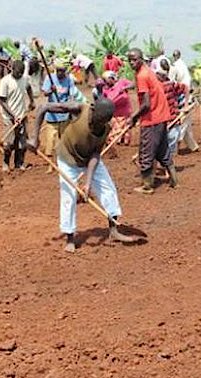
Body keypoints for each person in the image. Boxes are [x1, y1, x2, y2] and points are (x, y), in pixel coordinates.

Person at [27, 98, 138, 253]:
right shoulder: (79, 109)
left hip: (88, 160)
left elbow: (95, 155)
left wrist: (87, 182)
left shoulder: (105, 128)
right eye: (98, 120)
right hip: (67, 158)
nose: (99, 124)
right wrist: (34, 138)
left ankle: (113, 230)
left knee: (108, 189)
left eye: (103, 122)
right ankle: (70, 238)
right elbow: (43, 107)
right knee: (68, 197)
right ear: (92, 109)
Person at [127, 48, 176, 192]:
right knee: (162, 150)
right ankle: (174, 179)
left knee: (146, 152)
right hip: (160, 116)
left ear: (141, 59)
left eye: (134, 59)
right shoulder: (148, 71)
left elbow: (146, 104)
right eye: (129, 60)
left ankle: (147, 186)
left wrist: (133, 116)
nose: (132, 62)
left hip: (152, 118)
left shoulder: (142, 75)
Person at [40, 59, 79, 172]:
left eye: (62, 71)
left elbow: (71, 96)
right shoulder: (50, 78)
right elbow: (45, 93)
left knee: (62, 142)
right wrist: (51, 91)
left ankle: (62, 164)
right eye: (58, 71)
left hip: (64, 116)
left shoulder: (69, 80)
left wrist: (70, 108)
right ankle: (50, 165)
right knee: (49, 142)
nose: (60, 73)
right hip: (52, 116)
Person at [0, 60, 35, 172]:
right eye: (18, 73)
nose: (19, 75)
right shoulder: (5, 81)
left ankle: (19, 163)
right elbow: (2, 101)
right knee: (8, 143)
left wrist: (32, 101)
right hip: (9, 117)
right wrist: (13, 116)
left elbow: (28, 88)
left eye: (21, 73)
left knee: (21, 144)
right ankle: (6, 163)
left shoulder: (24, 79)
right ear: (12, 69)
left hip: (22, 115)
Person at [156, 59, 188, 169]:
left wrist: (186, 105)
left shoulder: (171, 85)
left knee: (171, 144)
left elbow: (185, 88)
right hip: (160, 121)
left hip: (172, 118)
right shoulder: (154, 88)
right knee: (158, 146)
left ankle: (167, 169)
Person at [170, 49, 198, 151]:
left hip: (184, 98)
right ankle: (193, 146)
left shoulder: (176, 67)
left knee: (183, 123)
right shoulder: (182, 66)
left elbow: (182, 86)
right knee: (186, 124)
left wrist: (185, 103)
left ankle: (177, 146)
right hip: (185, 97)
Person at [99, 70, 135, 146]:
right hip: (114, 114)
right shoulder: (105, 89)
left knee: (125, 137)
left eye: (106, 80)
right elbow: (103, 99)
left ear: (112, 78)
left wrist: (125, 87)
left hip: (125, 112)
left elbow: (133, 85)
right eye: (105, 81)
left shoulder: (122, 82)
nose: (106, 82)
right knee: (115, 136)